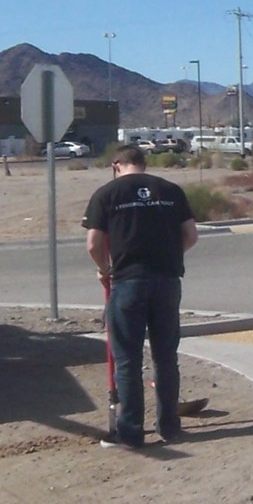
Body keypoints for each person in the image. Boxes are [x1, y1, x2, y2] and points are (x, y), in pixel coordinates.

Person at [84, 144, 198, 448]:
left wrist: (104, 269)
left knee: (127, 361)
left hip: (127, 283)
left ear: (117, 165)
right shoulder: (171, 190)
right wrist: (170, 256)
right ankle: (169, 427)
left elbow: (93, 243)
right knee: (165, 357)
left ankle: (131, 432)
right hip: (167, 281)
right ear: (143, 164)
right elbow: (191, 235)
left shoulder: (107, 194)